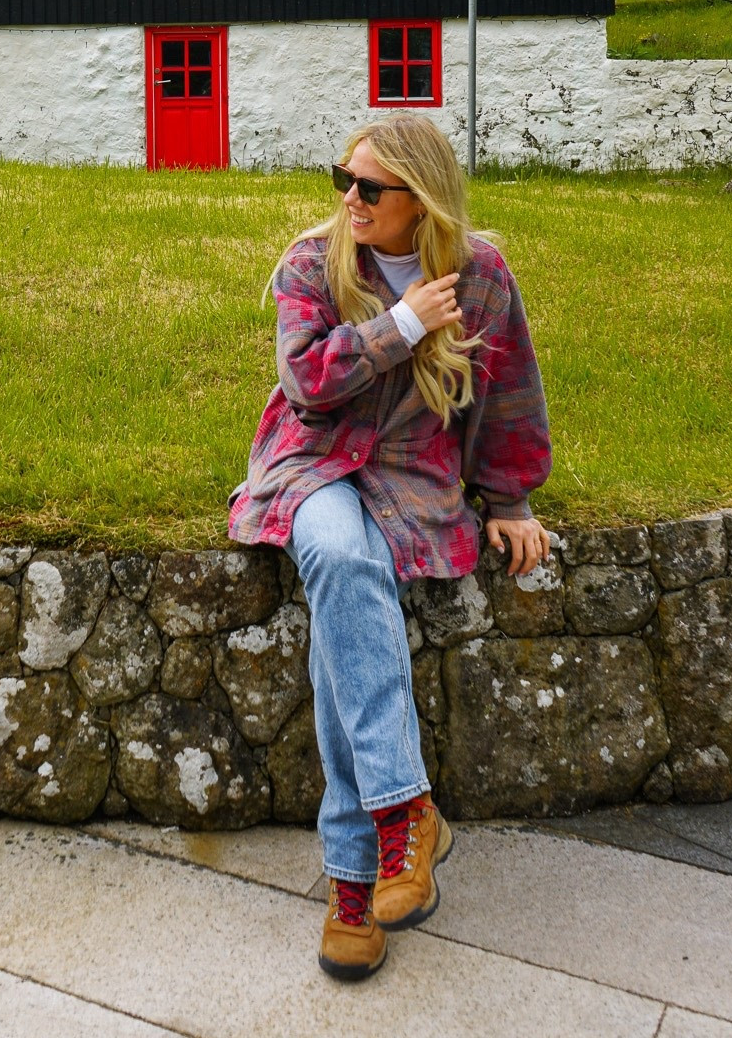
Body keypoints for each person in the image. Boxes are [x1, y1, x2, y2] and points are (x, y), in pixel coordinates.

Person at [228, 110, 551, 981]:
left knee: (348, 590)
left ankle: (352, 878)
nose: (351, 199)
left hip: (411, 476)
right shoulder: (314, 258)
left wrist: (511, 497)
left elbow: (508, 389)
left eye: (371, 188)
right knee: (336, 553)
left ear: (423, 199)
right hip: (315, 464)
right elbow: (306, 384)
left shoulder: (479, 273)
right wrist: (400, 324)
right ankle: (405, 810)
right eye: (344, 180)